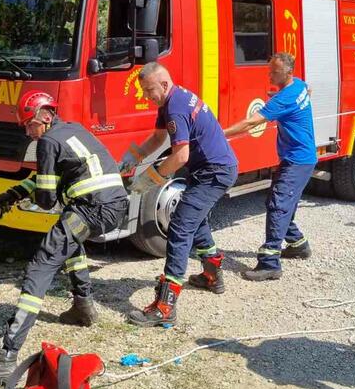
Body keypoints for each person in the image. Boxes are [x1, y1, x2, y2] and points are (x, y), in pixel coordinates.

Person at [0, 91, 128, 389]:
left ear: (47, 116)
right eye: (25, 126)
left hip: (91, 208)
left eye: (30, 125)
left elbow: (47, 197)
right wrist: (10, 195)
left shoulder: (48, 142)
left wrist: (31, 198)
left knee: (41, 264)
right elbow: (48, 177)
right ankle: (83, 306)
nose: (28, 132)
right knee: (69, 242)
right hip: (112, 205)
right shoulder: (72, 130)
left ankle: (7, 357)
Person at [123, 62, 238, 327]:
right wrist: (134, 156)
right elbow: (157, 138)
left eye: (149, 90)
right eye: (143, 91)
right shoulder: (171, 100)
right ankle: (212, 275)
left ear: (164, 84)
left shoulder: (174, 107)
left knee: (180, 226)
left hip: (215, 172)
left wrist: (151, 179)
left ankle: (165, 306)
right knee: (194, 219)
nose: (146, 96)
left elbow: (180, 156)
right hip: (210, 169)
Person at [224, 52, 317, 281]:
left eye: (274, 72)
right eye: (269, 71)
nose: (270, 76)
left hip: (297, 160)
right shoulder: (298, 85)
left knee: (278, 205)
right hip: (301, 158)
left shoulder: (284, 99)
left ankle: (270, 263)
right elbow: (309, 89)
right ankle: (298, 244)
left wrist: (220, 134)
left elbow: (251, 122)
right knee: (281, 203)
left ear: (288, 72)